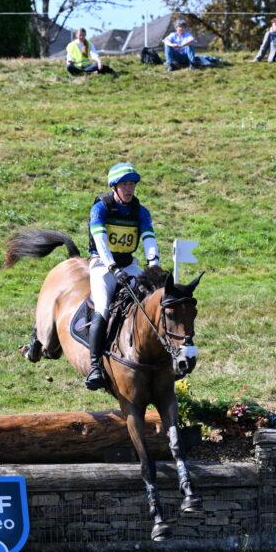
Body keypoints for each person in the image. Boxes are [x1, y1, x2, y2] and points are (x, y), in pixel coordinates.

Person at [84, 163, 160, 390]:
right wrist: (112, 267)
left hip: (129, 264)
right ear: (115, 186)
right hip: (102, 265)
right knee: (103, 307)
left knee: (154, 300)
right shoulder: (101, 208)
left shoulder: (141, 211)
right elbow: (100, 242)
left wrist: (154, 264)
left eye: (132, 184)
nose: (129, 189)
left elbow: (149, 239)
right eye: (125, 184)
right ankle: (95, 365)